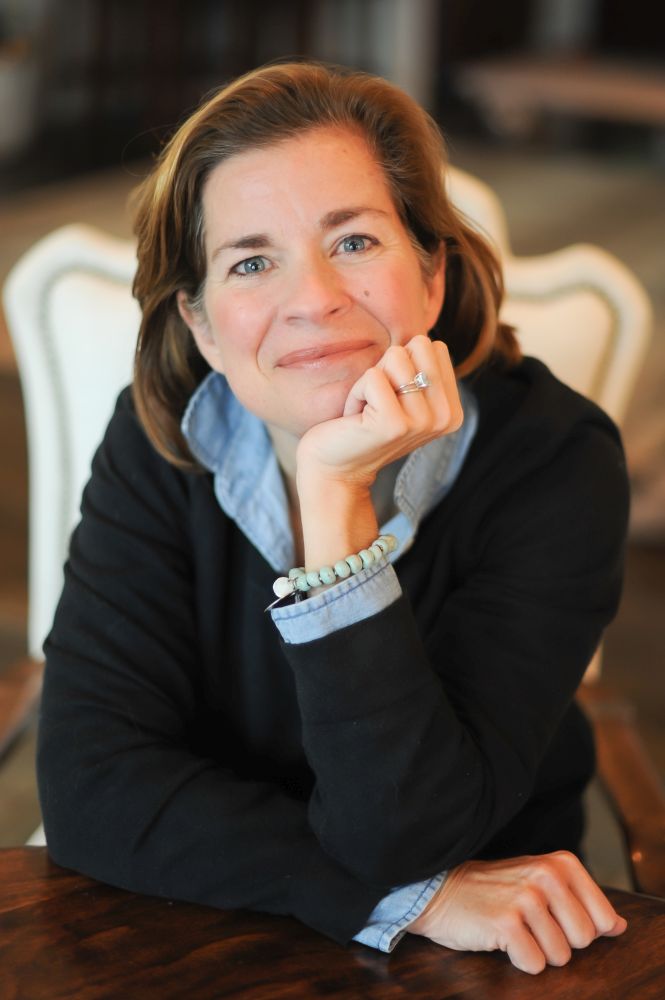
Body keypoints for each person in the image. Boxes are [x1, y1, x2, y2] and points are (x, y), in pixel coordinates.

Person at [37, 61, 629, 975]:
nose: (313, 298)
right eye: (251, 261)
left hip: (486, 957)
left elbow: (403, 828)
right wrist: (409, 897)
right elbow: (91, 789)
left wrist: (333, 499)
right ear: (200, 325)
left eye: (353, 241)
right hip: (197, 921)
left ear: (430, 276)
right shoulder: (158, 444)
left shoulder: (552, 459)